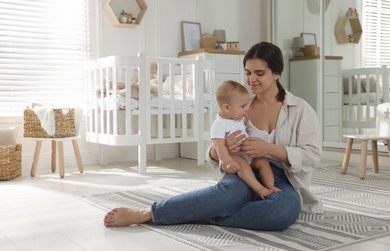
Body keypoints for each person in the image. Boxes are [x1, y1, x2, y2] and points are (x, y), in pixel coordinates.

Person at [104, 42, 323, 231]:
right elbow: (212, 152)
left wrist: (269, 149)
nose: (251, 79)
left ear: (276, 73)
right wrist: (222, 148)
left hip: (283, 179)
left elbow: (313, 156)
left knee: (284, 211)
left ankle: (206, 216)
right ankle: (148, 212)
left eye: (259, 73)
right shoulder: (237, 106)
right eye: (248, 72)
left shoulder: (300, 109)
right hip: (243, 171)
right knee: (227, 194)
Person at [211, 80, 280, 199]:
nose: (245, 109)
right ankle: (259, 188)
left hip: (247, 154)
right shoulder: (219, 125)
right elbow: (219, 146)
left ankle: (270, 185)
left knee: (262, 160)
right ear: (227, 108)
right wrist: (228, 162)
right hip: (233, 157)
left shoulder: (237, 118)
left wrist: (245, 121)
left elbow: (242, 128)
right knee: (242, 164)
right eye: (242, 106)